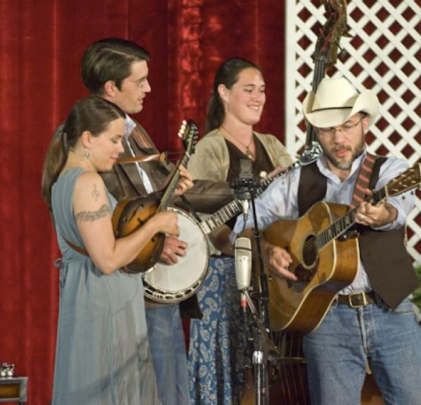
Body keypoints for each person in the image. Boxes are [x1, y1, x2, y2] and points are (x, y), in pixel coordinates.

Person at [232, 77, 421, 404]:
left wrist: (379, 215)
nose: (338, 138)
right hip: (326, 317)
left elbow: (394, 212)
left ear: (364, 123)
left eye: (347, 126)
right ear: (316, 132)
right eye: (327, 130)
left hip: (390, 310)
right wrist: (268, 250)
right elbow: (245, 225)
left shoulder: (391, 171)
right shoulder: (296, 180)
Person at [79, 38, 232, 405]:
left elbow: (158, 192)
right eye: (140, 81)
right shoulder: (93, 141)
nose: (149, 88)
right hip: (124, 287)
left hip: (153, 292)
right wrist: (154, 241)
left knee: (169, 391)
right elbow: (103, 212)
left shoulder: (136, 132)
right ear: (111, 88)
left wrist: (238, 191)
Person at [42, 95, 188, 404]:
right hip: (105, 304)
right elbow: (107, 259)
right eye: (113, 140)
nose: (120, 149)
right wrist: (156, 225)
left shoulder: (62, 182)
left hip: (90, 299)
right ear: (86, 139)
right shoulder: (88, 183)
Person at [186, 57, 293, 404]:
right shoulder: (211, 147)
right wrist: (237, 246)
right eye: (249, 89)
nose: (258, 97)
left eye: (262, 90)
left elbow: (296, 199)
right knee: (227, 368)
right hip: (222, 278)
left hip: (268, 277)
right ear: (224, 93)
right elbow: (202, 211)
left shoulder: (272, 144)